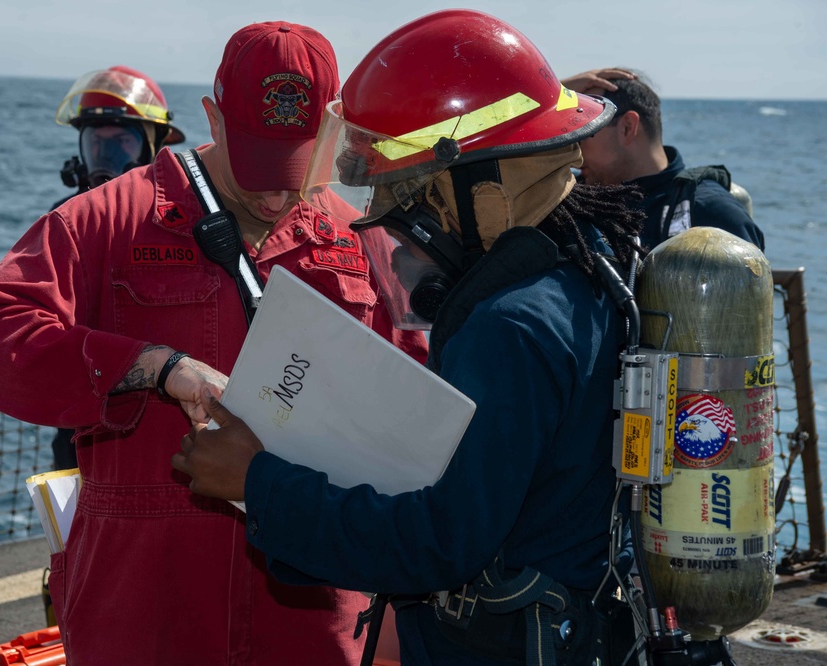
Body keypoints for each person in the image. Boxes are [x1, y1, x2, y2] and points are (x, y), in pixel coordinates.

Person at [0, 20, 427, 665]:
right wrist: (154, 367)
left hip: (311, 604)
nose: (276, 191)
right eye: (257, 163)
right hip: (144, 602)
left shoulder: (359, 237)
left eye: (295, 164)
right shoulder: (104, 220)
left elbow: (417, 394)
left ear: (335, 132)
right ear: (213, 118)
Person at [172, 9, 645, 665]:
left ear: (476, 182)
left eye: (415, 195)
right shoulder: (585, 270)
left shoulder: (510, 326)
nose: (407, 226)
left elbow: (439, 544)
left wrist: (258, 481)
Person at [49, 65, 186, 470]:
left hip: (167, 430)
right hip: (82, 435)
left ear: (153, 148)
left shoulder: (188, 226)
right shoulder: (63, 225)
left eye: (121, 143)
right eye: (98, 144)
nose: (106, 160)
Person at [561, 68, 764, 251]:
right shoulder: (569, 198)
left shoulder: (709, 214)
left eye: (583, 131)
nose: (573, 151)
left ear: (627, 127)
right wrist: (557, 93)